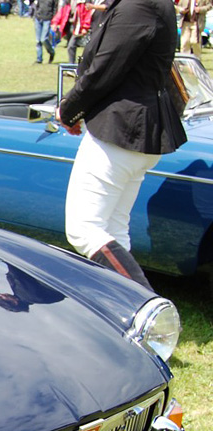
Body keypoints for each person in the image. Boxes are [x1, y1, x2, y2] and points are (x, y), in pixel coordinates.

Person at [57, 0, 186, 289]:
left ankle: (148, 310)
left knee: (84, 230)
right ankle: (124, 314)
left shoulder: (138, 5)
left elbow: (103, 70)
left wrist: (68, 110)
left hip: (123, 128)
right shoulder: (141, 4)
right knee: (113, 230)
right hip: (131, 129)